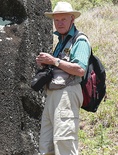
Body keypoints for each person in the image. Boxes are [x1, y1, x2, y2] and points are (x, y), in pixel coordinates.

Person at [36, 1, 91, 155]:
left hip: (67, 94)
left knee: (65, 144)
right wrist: (46, 65)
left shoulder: (79, 41)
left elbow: (80, 69)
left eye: (63, 19)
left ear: (72, 19)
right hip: (53, 95)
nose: (59, 23)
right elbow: (60, 67)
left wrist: (54, 61)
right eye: (56, 20)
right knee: (46, 146)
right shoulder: (61, 41)